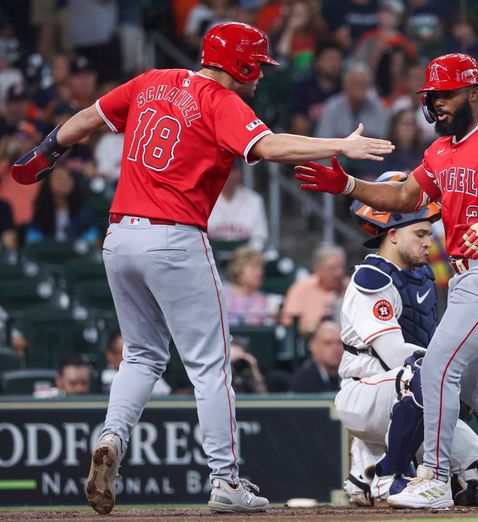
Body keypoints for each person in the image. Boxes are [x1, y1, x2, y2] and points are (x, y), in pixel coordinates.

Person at [10, 21, 393, 515]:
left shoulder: (151, 81)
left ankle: (111, 436)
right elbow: (270, 147)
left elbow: (86, 118)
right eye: (256, 66)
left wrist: (47, 150)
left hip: (119, 235)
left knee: (142, 356)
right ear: (240, 64)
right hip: (173, 236)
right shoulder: (223, 101)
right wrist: (338, 145)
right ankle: (226, 480)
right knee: (210, 366)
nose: (259, 76)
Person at [294, 52, 478, 509]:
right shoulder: (442, 149)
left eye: (446, 95)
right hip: (473, 274)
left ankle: (433, 477)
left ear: (473, 91)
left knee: (438, 368)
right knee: (477, 384)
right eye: (432, 97)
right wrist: (349, 185)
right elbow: (403, 195)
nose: (437, 105)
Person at [337, 172, 478, 508]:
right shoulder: (371, 278)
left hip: (411, 393)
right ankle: (384, 472)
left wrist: (466, 372)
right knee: (421, 374)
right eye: (421, 233)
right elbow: (395, 353)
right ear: (394, 234)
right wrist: (452, 370)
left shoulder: (423, 275)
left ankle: (367, 472)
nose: (430, 241)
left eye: (430, 233)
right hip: (365, 392)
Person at [281, 243, 348, 336]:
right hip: (309, 344)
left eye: (341, 267)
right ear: (318, 269)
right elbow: (289, 324)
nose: (338, 273)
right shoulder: (302, 288)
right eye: (332, 269)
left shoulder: (351, 287)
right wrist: (314, 327)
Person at [26, 165, 98, 244]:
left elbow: (93, 242)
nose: (64, 181)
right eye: (59, 177)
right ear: (48, 183)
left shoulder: (84, 210)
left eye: (68, 177)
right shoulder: (41, 210)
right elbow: (33, 243)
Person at [207, 160, 269, 247]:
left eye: (234, 170)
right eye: (226, 170)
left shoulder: (254, 199)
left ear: (241, 172)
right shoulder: (206, 198)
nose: (231, 175)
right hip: (212, 256)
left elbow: (259, 237)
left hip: (244, 257)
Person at [223, 247, 281, 326]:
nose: (260, 272)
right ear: (238, 269)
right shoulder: (221, 296)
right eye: (253, 267)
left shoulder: (267, 301)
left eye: (261, 267)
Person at [101, 331, 172, 395]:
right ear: (110, 355)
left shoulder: (145, 371)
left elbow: (165, 391)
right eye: (123, 353)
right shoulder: (107, 375)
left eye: (132, 352)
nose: (129, 357)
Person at [289, 318, 343, 392]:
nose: (335, 348)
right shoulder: (302, 382)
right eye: (328, 343)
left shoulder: (353, 377)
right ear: (313, 345)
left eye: (339, 343)